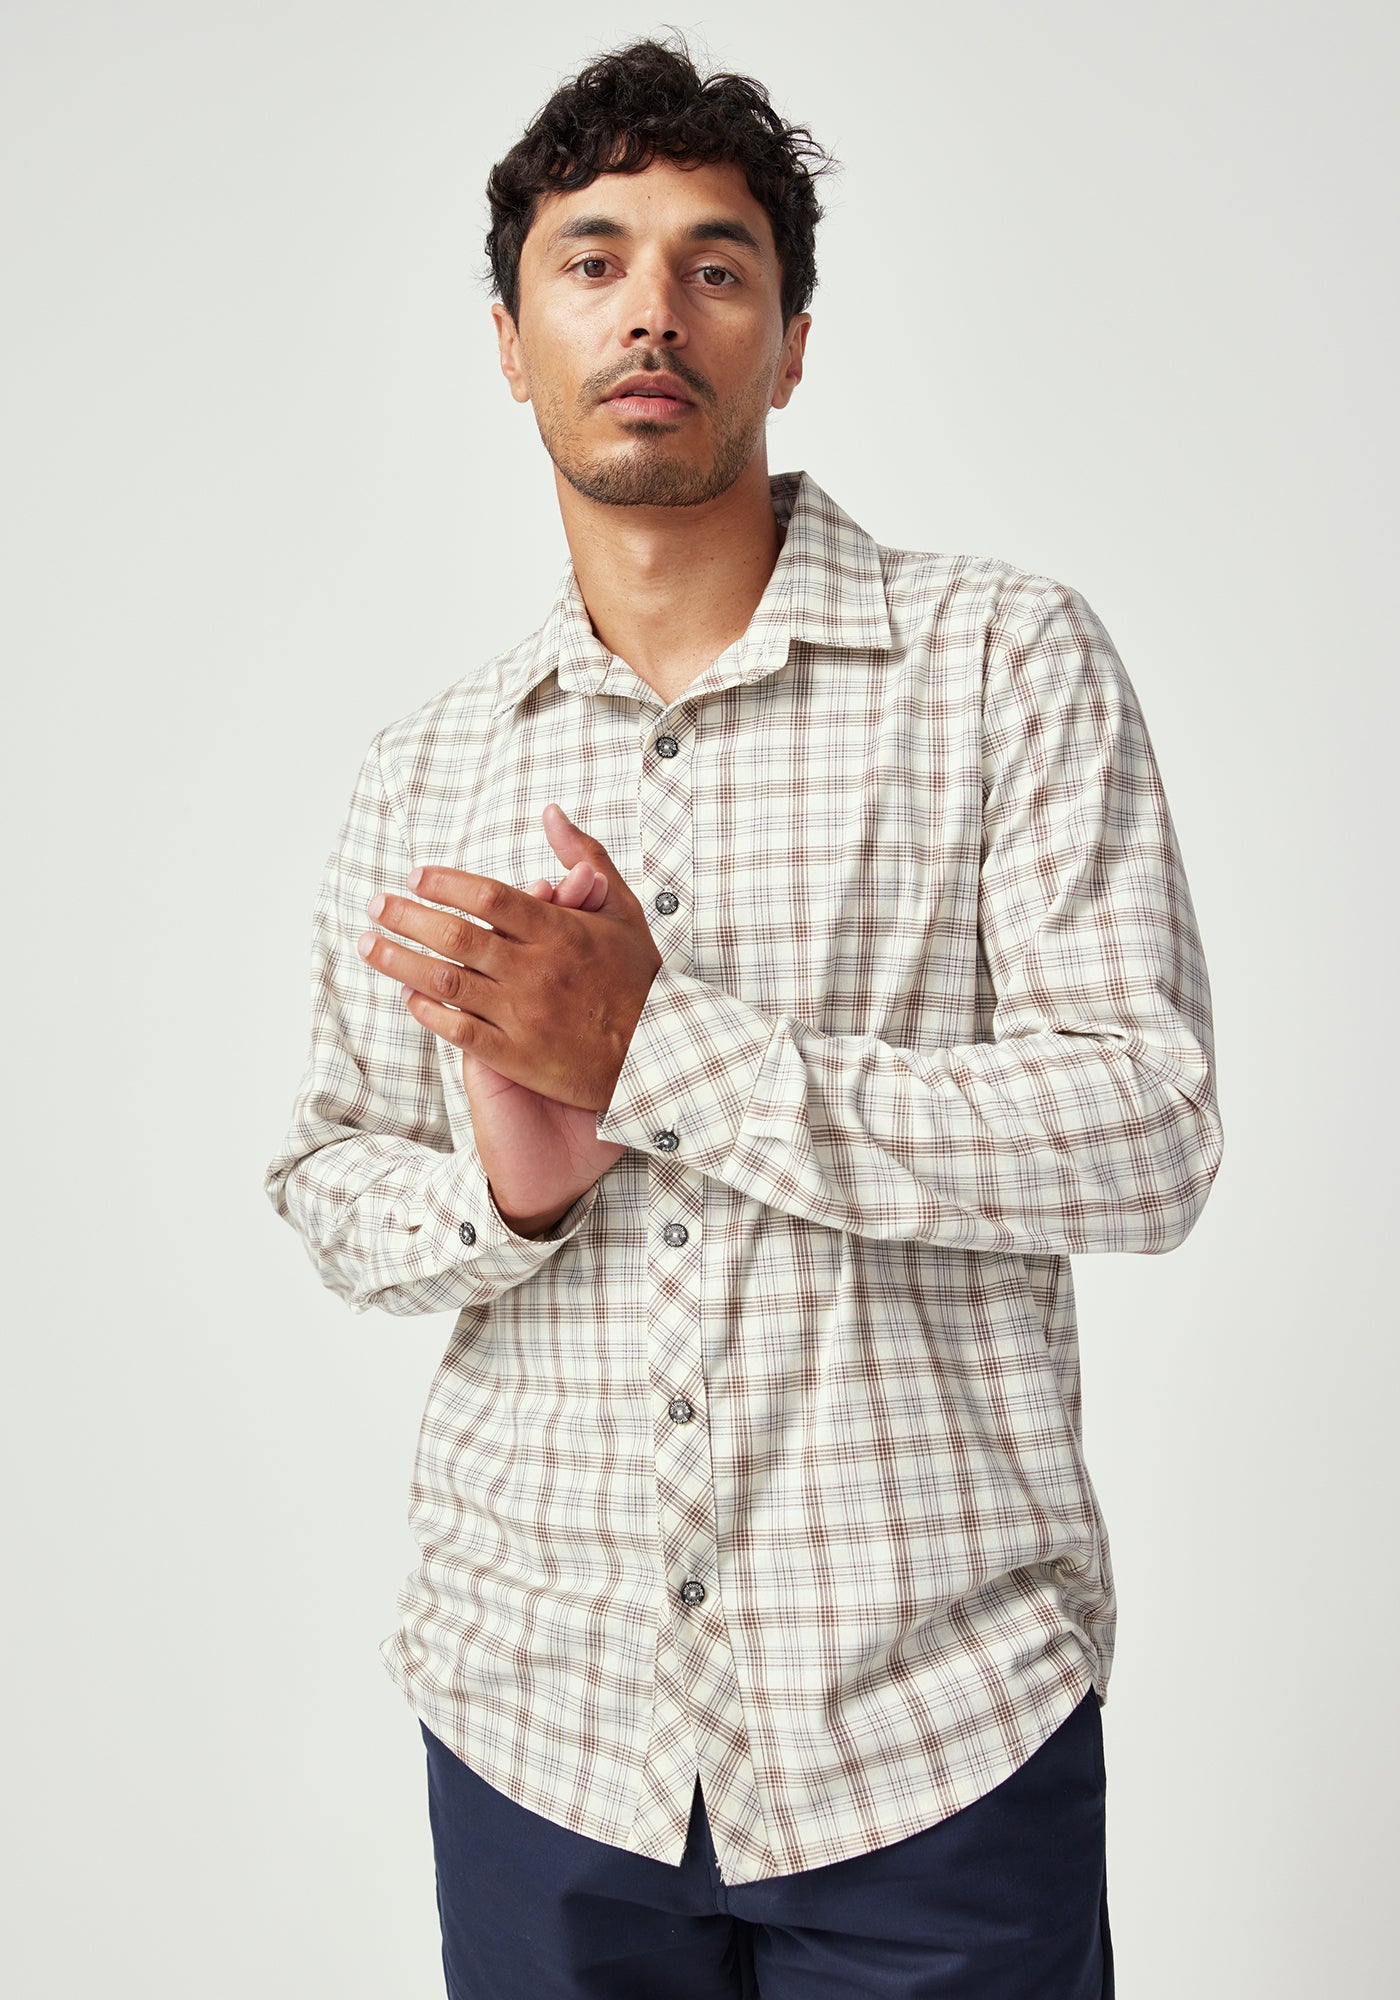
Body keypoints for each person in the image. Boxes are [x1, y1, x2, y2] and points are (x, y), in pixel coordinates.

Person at [264, 34, 1222, 2000]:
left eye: (716, 266)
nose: (652, 310)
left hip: (932, 1733)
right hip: (542, 1727)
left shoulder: (1003, 663)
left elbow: (1147, 1131)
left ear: (789, 345)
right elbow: (328, 1178)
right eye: (592, 261)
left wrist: (654, 1055)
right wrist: (510, 1197)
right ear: (510, 344)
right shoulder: (424, 767)